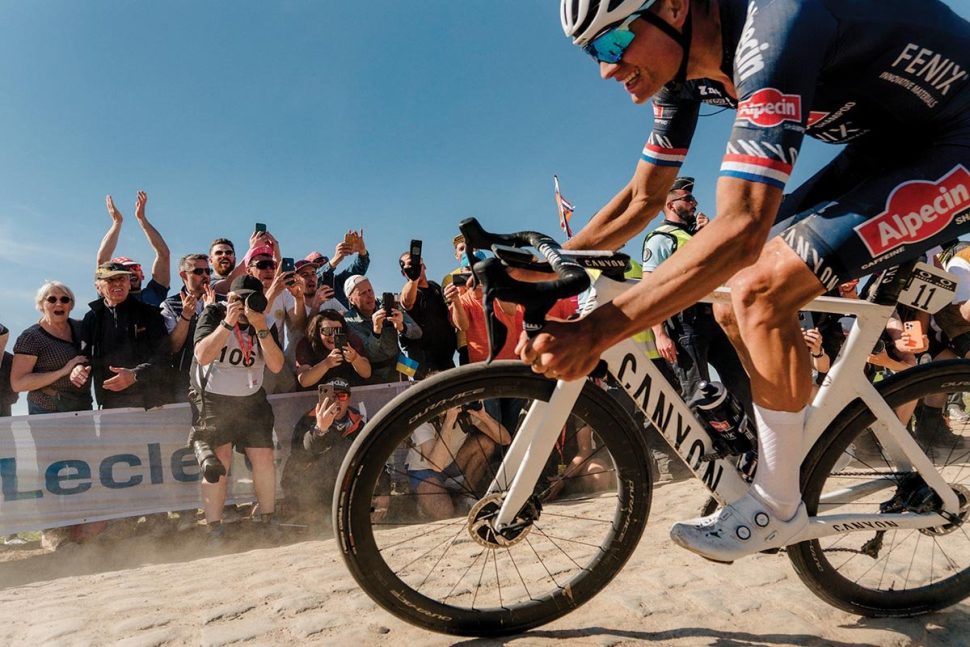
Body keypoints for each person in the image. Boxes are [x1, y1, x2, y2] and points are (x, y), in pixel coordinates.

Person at [521, 0, 970, 562]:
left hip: (959, 138)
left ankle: (778, 505)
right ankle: (790, 462)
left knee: (759, 284)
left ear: (675, 8)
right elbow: (644, 198)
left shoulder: (777, 24)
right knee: (733, 297)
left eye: (611, 44)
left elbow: (740, 227)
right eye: (593, 54)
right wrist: (553, 267)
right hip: (893, 144)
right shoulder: (684, 77)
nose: (606, 70)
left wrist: (596, 332)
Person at [189, 274, 284, 543]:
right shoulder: (213, 313)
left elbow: (276, 365)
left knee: (264, 457)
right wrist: (228, 323)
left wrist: (260, 326)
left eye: (251, 300)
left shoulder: (263, 321)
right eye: (239, 300)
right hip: (215, 398)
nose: (245, 306)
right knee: (220, 461)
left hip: (251, 397)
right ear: (230, 299)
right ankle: (214, 528)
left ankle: (268, 518)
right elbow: (203, 355)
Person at [643, 176, 751, 410]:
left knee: (741, 384)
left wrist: (710, 235)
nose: (695, 203)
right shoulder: (661, 238)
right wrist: (660, 333)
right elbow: (648, 289)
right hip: (686, 326)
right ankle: (706, 447)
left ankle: (754, 442)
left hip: (715, 319)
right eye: (688, 199)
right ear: (671, 205)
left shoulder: (698, 233)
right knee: (697, 393)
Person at [80, 263, 170, 409]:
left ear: (129, 283)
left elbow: (164, 356)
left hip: (151, 403)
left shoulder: (150, 314)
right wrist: (79, 368)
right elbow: (83, 355)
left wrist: (135, 374)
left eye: (122, 278)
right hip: (110, 404)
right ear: (98, 287)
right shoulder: (91, 318)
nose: (117, 283)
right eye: (110, 280)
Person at [281, 378, 366, 529]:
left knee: (349, 449)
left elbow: (370, 453)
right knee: (340, 448)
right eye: (332, 396)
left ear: (349, 399)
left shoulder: (358, 421)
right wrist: (320, 430)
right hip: (308, 485)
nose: (337, 401)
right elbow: (300, 456)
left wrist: (383, 491)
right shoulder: (308, 419)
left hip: (338, 483)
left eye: (342, 396)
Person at [406, 401, 510, 520]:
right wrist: (449, 421)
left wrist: (483, 416)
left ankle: (467, 494)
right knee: (444, 512)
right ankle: (425, 501)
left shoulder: (464, 414)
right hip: (425, 469)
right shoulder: (424, 420)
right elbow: (436, 465)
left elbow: (505, 440)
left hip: (452, 462)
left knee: (486, 443)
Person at [10, 282, 92, 414]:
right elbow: (18, 383)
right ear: (42, 305)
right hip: (46, 409)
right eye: (52, 299)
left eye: (64, 299)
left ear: (71, 305)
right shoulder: (31, 337)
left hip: (82, 405)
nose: (59, 304)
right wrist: (63, 371)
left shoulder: (82, 328)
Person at [160, 254, 222, 403]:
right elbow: (174, 347)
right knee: (185, 424)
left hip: (221, 374)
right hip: (185, 378)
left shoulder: (224, 301)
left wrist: (212, 311)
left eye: (208, 271)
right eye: (198, 272)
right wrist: (186, 316)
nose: (205, 276)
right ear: (183, 275)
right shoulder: (169, 304)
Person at [343, 275, 422, 384]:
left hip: (400, 360)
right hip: (375, 370)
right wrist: (376, 331)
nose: (369, 296)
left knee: (422, 381)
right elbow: (370, 354)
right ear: (351, 300)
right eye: (363, 293)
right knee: (382, 398)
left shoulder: (387, 303)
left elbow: (418, 333)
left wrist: (401, 326)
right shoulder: (349, 321)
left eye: (370, 290)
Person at [97, 192, 170, 307]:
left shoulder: (153, 294)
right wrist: (117, 223)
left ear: (142, 274)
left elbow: (163, 254)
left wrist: (142, 219)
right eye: (125, 269)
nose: (131, 271)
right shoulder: (110, 296)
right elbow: (102, 260)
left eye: (135, 267)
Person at [399, 249, 457, 378]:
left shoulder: (435, 287)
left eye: (417, 262)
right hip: (423, 363)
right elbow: (407, 302)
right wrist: (413, 279)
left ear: (424, 266)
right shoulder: (409, 291)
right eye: (410, 264)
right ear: (403, 272)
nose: (415, 266)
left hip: (446, 358)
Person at [295, 310, 371, 388]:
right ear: (317, 332)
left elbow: (367, 373)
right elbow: (304, 381)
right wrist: (326, 364)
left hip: (348, 391)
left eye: (338, 330)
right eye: (327, 331)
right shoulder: (306, 344)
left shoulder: (351, 341)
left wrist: (355, 358)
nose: (333, 336)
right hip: (317, 395)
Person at [311, 230, 371, 308]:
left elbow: (358, 269)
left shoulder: (338, 282)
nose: (322, 267)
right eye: (317, 267)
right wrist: (336, 259)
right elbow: (317, 277)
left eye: (324, 264)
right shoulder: (305, 290)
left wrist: (362, 251)